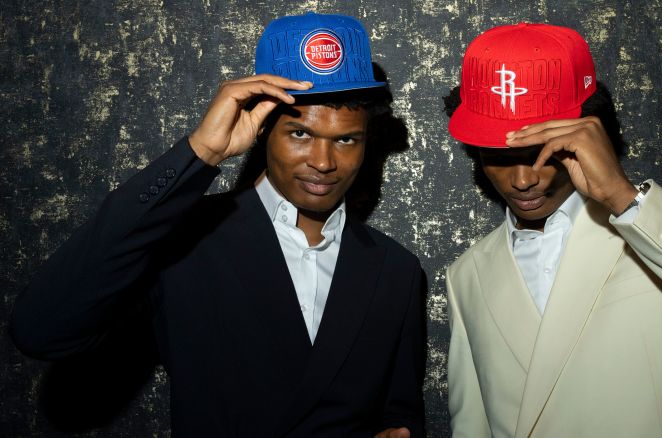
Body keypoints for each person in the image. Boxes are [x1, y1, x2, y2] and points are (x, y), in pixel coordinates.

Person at [10, 13, 424, 437]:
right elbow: (40, 329)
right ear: (263, 130)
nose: (323, 162)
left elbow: (400, 412)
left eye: (345, 140)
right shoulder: (185, 238)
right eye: (300, 134)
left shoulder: (397, 271)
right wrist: (201, 152)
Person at [445, 22, 662, 437]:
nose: (522, 180)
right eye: (496, 154)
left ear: (590, 132)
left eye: (541, 152)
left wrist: (624, 199)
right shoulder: (466, 275)